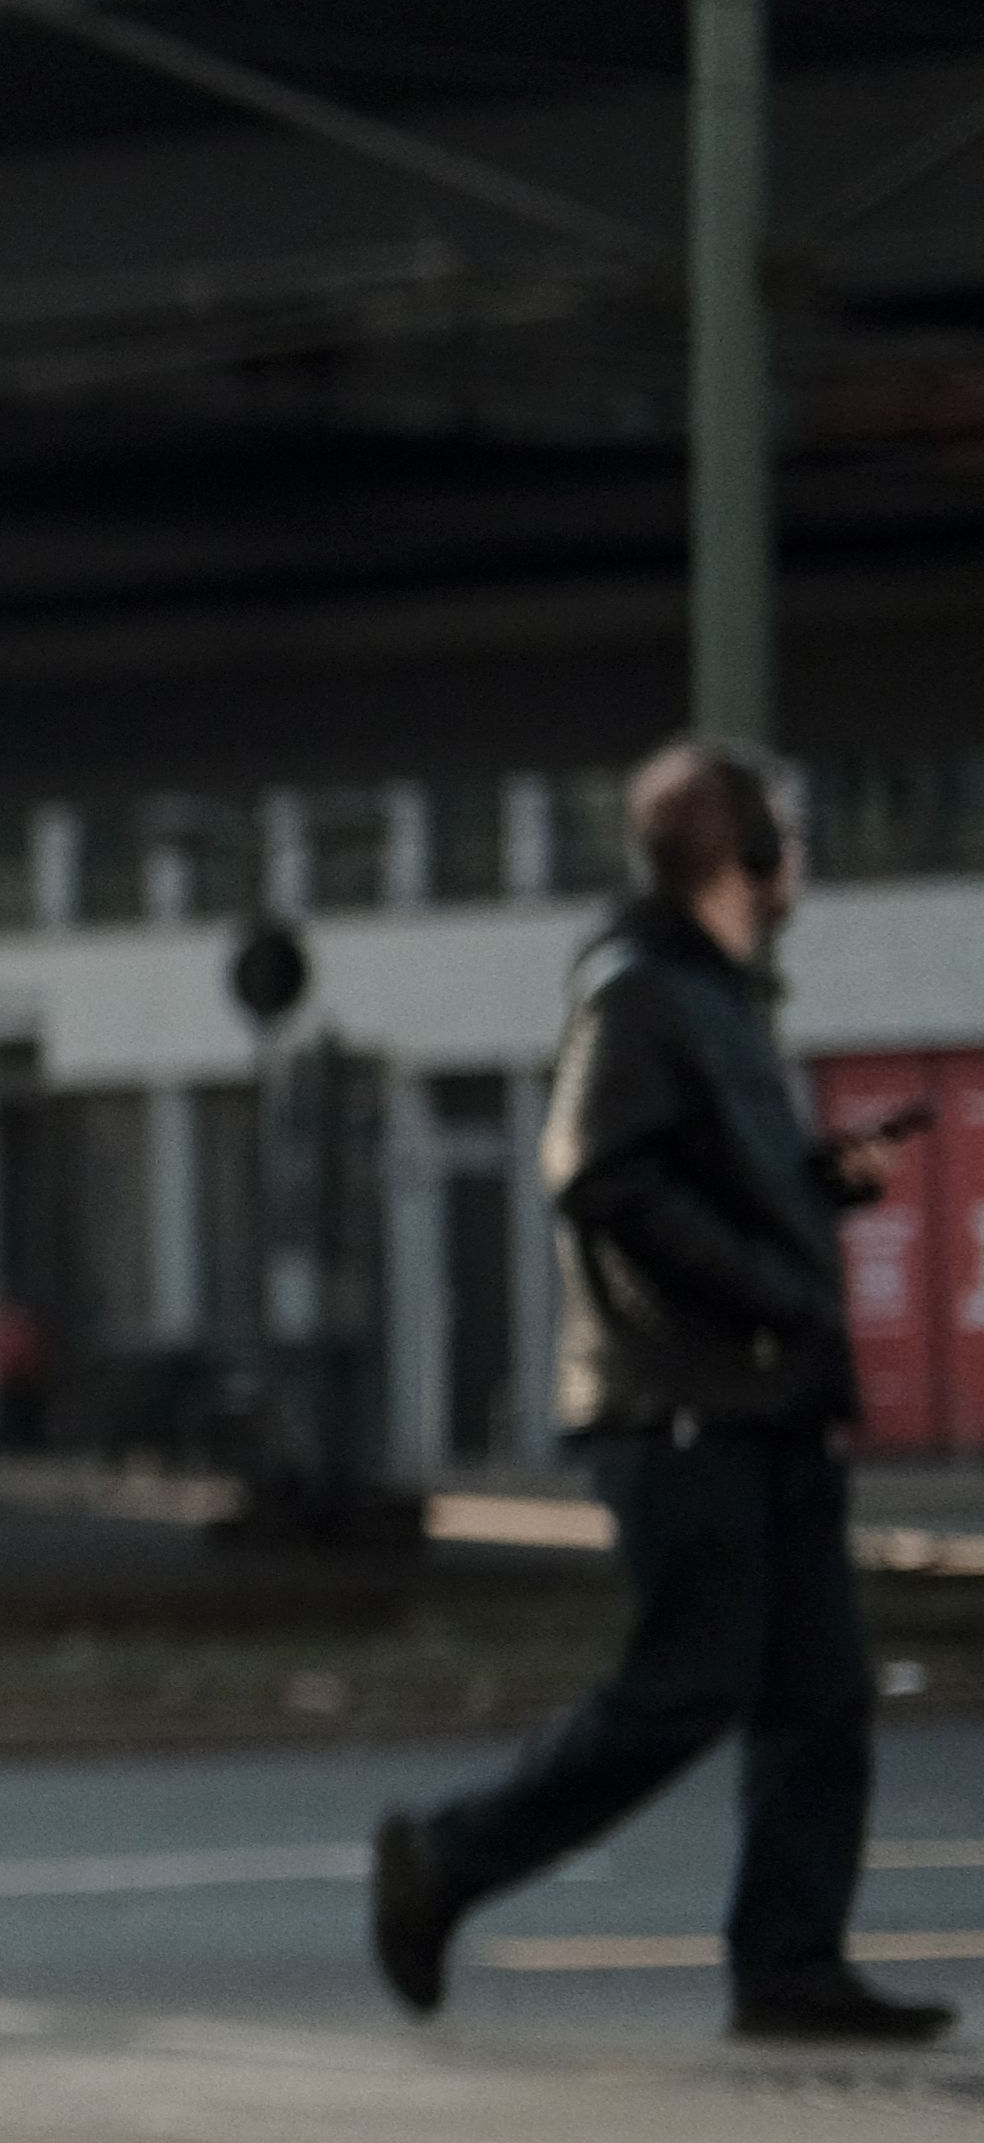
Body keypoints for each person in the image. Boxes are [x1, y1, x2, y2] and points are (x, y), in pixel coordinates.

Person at [370, 743, 952, 2046]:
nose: (800, 857)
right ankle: (447, 1860)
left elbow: (705, 1181)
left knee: (823, 1693)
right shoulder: (639, 995)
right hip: (687, 1413)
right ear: (741, 859)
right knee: (685, 1686)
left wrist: (817, 1188)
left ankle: (790, 1966)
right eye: (785, 835)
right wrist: (766, 1281)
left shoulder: (715, 999)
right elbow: (599, 1174)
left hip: (765, 1406)